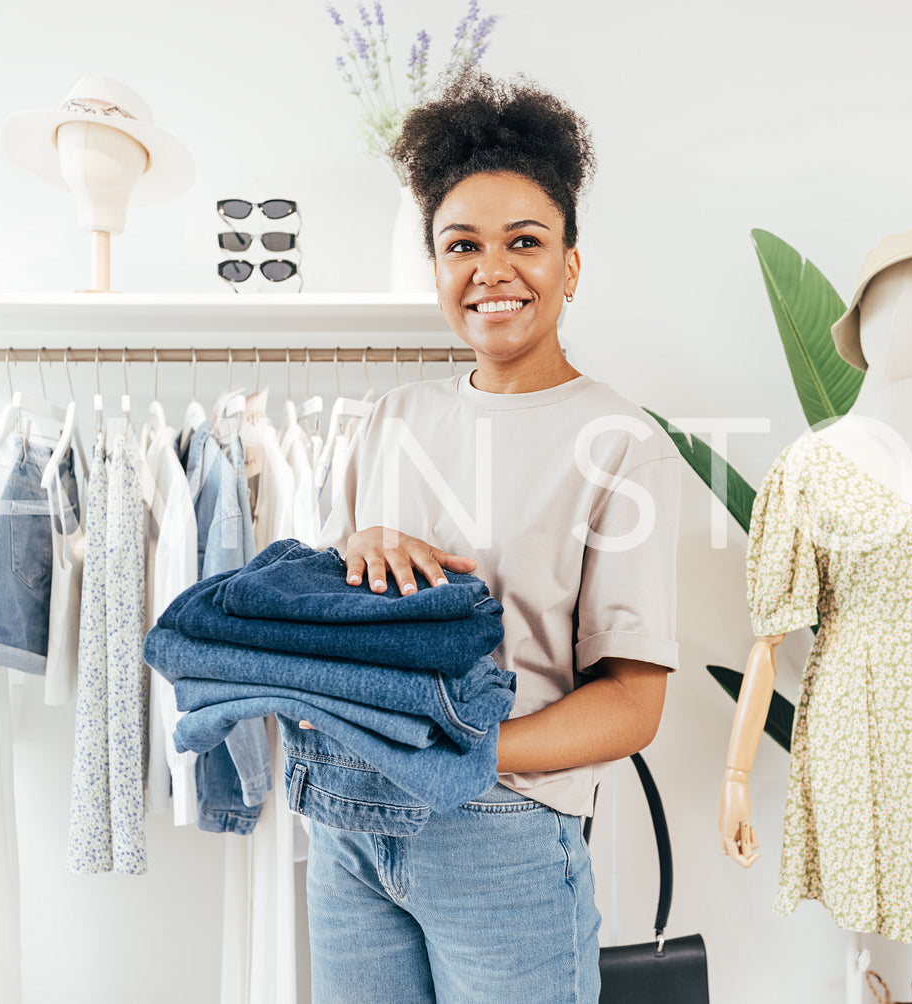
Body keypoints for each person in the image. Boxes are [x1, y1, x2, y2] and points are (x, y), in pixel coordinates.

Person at [297, 71, 683, 1003]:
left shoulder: (622, 444)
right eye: (461, 244)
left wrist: (464, 752)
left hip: (500, 832)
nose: (492, 269)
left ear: (571, 266)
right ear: (434, 267)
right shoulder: (385, 420)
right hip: (347, 830)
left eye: (525, 242)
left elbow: (632, 705)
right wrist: (353, 555)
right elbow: (310, 617)